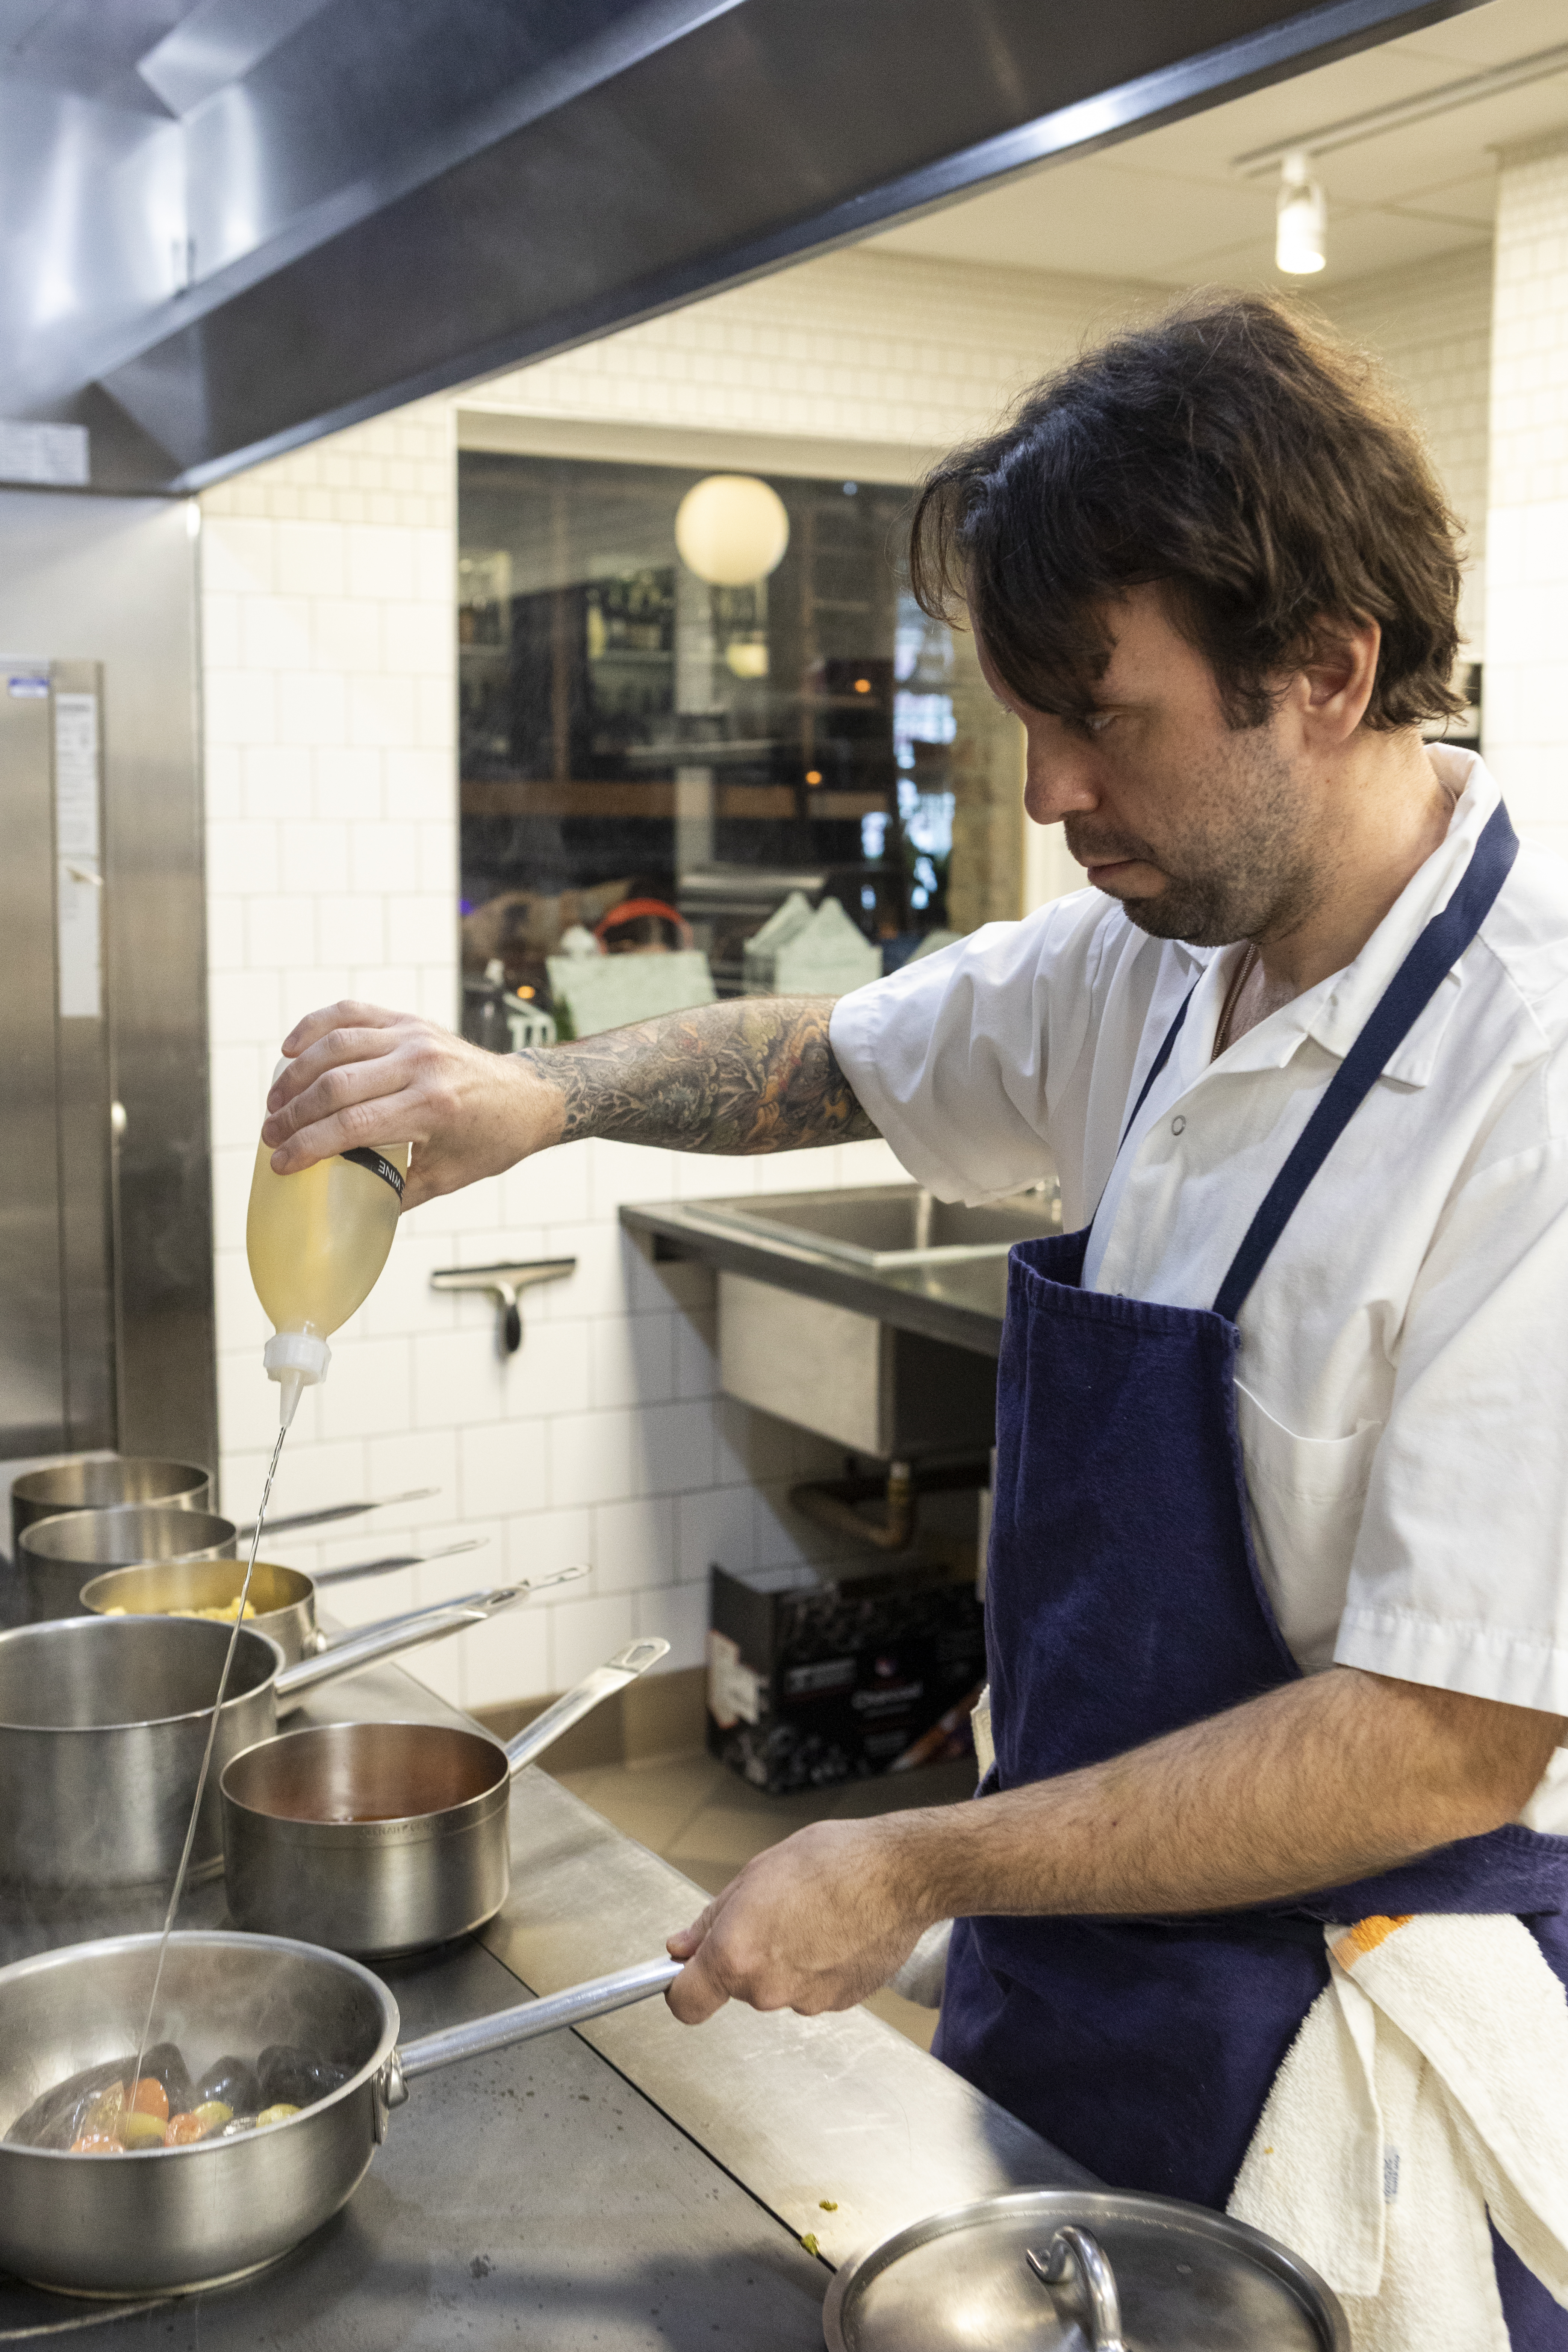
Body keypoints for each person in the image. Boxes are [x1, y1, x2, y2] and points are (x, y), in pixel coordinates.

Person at [262, 297, 1568, 2338]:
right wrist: (542, 1096)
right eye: (1020, 715)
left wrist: (914, 1859)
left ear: (1329, 668)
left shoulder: (1535, 1077)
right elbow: (838, 1056)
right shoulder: (1151, 955)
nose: (1047, 791)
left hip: (1352, 2034)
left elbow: (1443, 1738)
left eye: (1099, 716)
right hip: (1073, 1964)